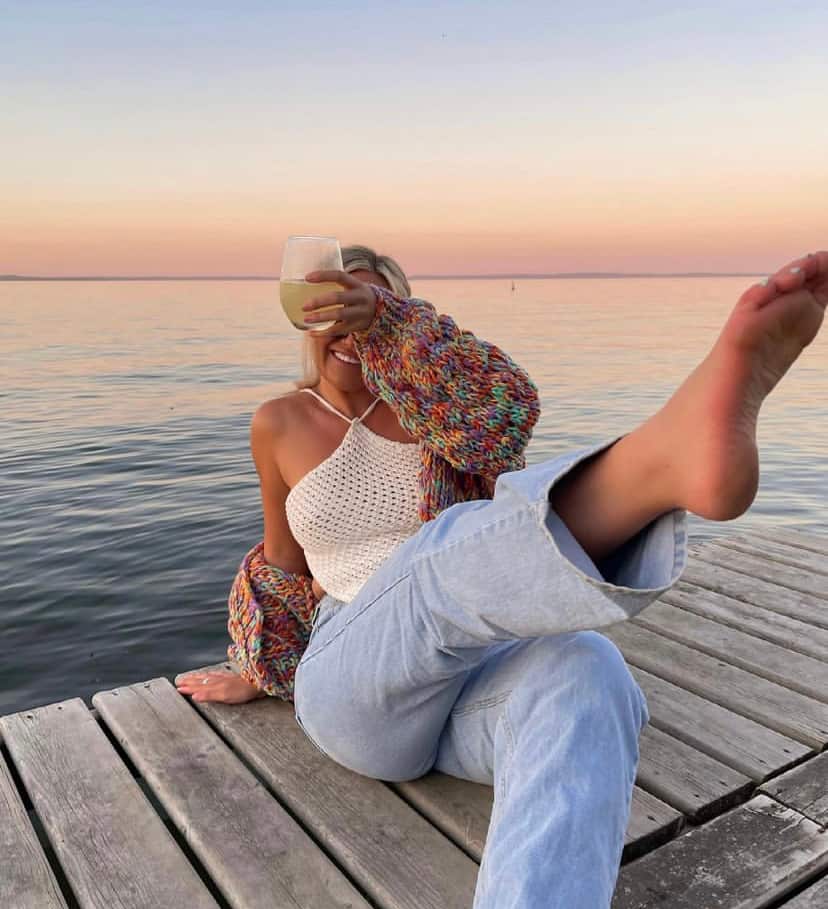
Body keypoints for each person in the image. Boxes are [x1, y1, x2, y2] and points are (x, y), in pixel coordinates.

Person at [177, 246, 827, 908]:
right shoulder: (277, 422)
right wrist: (258, 665)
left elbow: (512, 408)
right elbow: (283, 558)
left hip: (468, 682)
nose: (349, 331)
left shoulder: (440, 413)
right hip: (355, 683)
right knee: (430, 562)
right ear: (308, 321)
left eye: (363, 309)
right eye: (335, 311)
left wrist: (390, 327)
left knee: (589, 666)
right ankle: (654, 470)